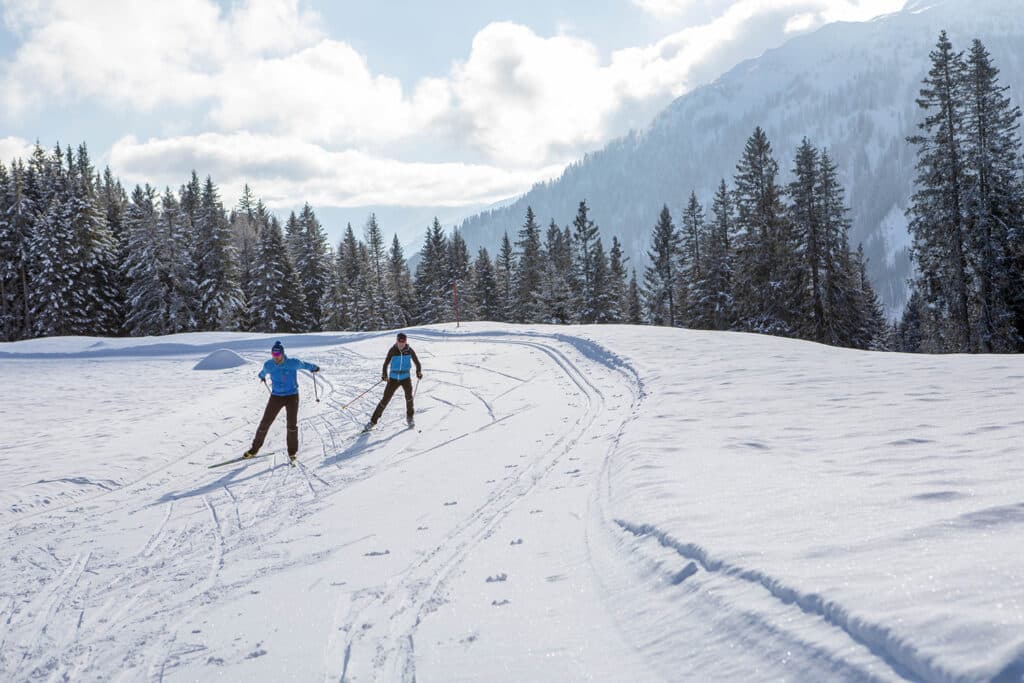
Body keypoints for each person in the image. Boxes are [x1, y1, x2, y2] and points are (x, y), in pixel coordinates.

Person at [244, 340, 319, 463]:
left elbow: (305, 365)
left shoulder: (293, 363)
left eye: (278, 355)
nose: (276, 358)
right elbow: (262, 373)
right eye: (274, 355)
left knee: (291, 425)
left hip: (292, 396)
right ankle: (254, 449)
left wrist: (314, 368)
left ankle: (292, 452)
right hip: (276, 397)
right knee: (265, 423)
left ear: (283, 354)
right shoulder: (269, 365)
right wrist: (261, 377)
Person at [366, 332, 422, 430]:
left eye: (403, 342)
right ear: (397, 341)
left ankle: (410, 417)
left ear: (405, 342)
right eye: (399, 341)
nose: (401, 344)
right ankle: (373, 421)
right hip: (393, 378)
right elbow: (385, 364)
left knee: (409, 398)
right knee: (385, 400)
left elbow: (417, 362)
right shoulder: (393, 350)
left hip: (405, 378)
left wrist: (418, 372)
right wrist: (384, 374)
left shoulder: (409, 351)